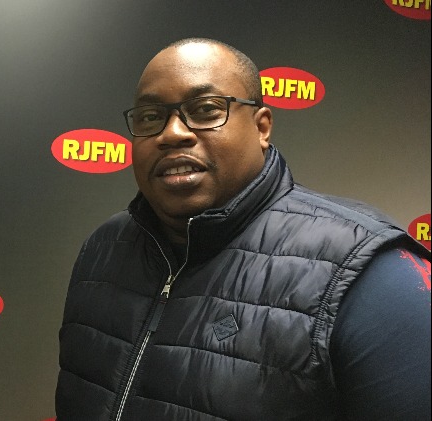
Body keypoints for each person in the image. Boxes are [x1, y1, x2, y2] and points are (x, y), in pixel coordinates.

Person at [55, 38, 431, 420]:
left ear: (261, 127)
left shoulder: (371, 275)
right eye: (150, 117)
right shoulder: (102, 249)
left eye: (205, 109)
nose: (172, 133)